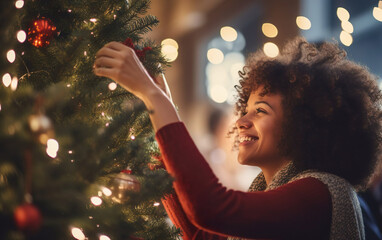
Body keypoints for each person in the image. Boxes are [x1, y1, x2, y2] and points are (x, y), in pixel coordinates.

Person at [93, 37, 382, 239]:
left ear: (305, 123)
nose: (242, 121)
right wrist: (159, 118)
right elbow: (204, 234)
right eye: (245, 109)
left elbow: (212, 209)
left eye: (260, 110)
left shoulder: (320, 192)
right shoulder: (270, 191)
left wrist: (155, 98)